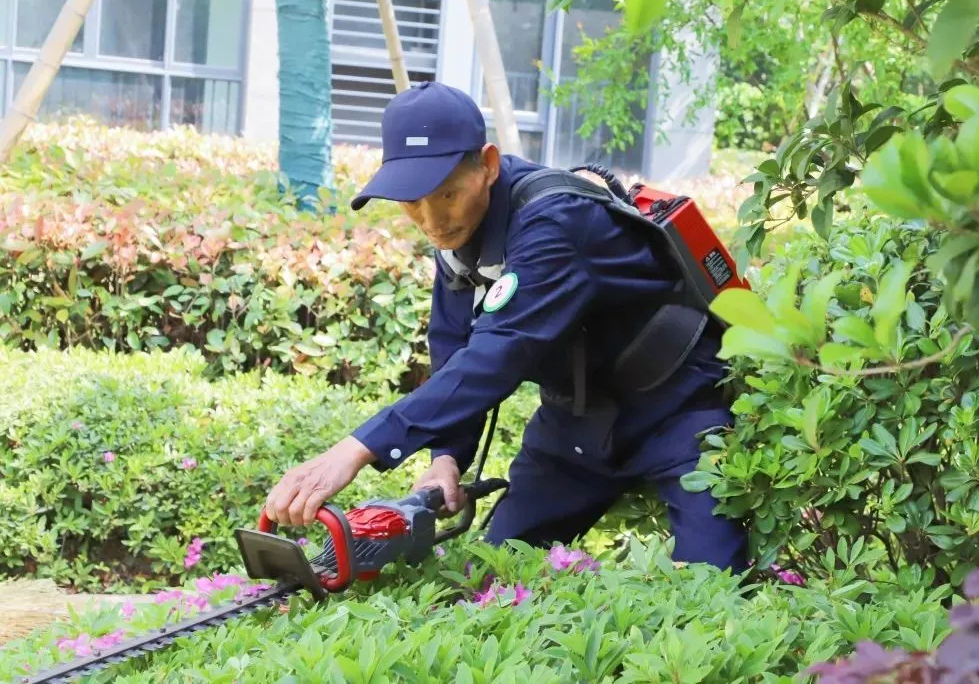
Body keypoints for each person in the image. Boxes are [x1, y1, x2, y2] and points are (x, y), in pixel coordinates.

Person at [263, 81, 748, 573]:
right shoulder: (458, 233)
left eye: (447, 193)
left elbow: (497, 354)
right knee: (490, 574)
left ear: (488, 165)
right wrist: (447, 456)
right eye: (412, 203)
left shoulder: (555, 223)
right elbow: (454, 345)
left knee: (715, 590)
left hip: (679, 411)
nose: (432, 220)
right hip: (575, 423)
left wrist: (355, 450)